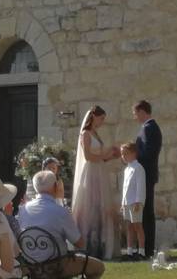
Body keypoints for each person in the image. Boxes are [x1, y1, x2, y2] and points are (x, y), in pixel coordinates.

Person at [18, 171, 104, 279]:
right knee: (98, 267)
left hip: (31, 266)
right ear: (55, 186)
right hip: (57, 265)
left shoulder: (23, 210)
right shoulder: (60, 211)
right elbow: (79, 243)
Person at [71, 105, 118, 260]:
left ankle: (102, 245)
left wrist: (111, 155)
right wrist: (105, 157)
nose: (102, 122)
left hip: (99, 172)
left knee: (100, 206)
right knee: (89, 207)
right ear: (93, 117)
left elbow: (99, 155)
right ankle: (87, 246)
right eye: (101, 118)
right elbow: (88, 156)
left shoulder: (95, 134)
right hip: (90, 172)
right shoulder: (85, 134)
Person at [133, 100, 162, 256]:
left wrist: (132, 157)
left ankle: (147, 248)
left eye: (136, 113)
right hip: (144, 175)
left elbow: (148, 154)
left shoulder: (150, 128)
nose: (135, 117)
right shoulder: (147, 128)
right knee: (144, 212)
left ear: (143, 112)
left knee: (146, 213)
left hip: (146, 175)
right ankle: (144, 248)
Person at [119, 143, 146, 260]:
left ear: (134, 153)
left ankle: (141, 252)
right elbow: (125, 187)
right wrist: (123, 202)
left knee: (138, 226)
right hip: (127, 202)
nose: (123, 156)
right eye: (122, 154)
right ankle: (130, 251)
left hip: (135, 202)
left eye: (126, 153)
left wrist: (138, 201)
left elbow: (140, 186)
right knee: (129, 226)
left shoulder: (138, 168)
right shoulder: (127, 169)